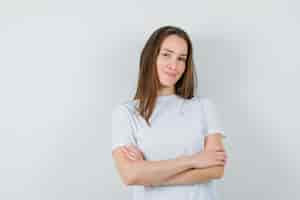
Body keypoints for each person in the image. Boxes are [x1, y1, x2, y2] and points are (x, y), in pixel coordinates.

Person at [111, 25, 228, 200]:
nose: (174, 65)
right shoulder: (126, 113)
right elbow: (130, 175)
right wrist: (193, 161)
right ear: (151, 57)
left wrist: (149, 174)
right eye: (166, 54)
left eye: (181, 58)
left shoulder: (204, 107)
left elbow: (216, 169)